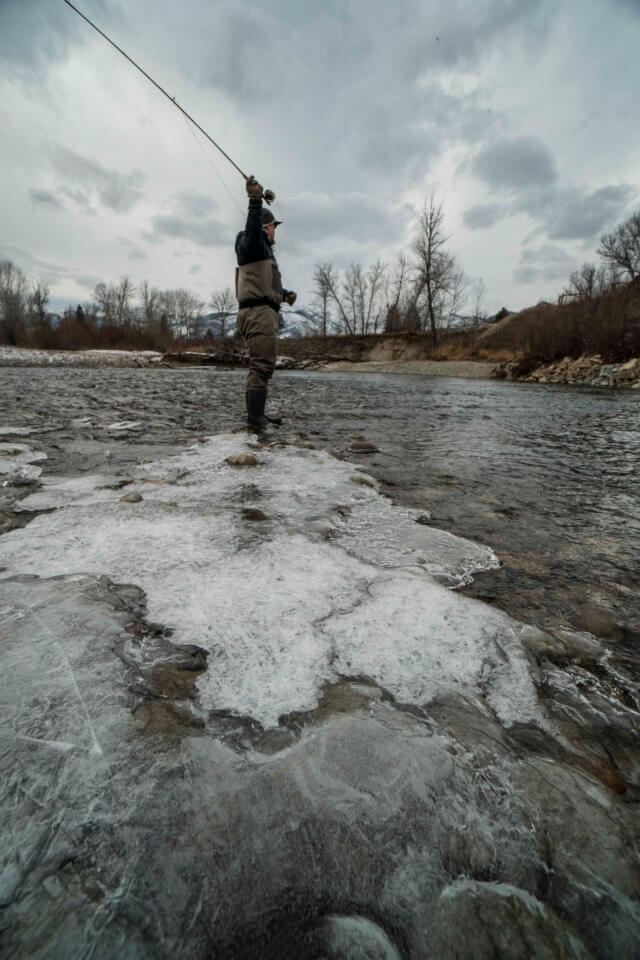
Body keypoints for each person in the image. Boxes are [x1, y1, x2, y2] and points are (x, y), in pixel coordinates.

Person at [235, 175, 296, 430]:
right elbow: (251, 231)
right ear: (264, 227)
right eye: (272, 226)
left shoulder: (262, 252)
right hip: (258, 314)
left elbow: (263, 286)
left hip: (261, 312)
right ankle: (255, 419)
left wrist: (284, 296)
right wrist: (254, 201)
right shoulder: (253, 244)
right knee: (261, 365)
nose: (274, 231)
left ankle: (256, 416)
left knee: (261, 365)